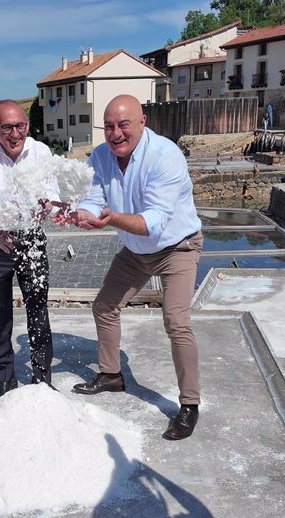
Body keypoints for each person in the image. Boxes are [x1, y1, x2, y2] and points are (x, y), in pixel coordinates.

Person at [53, 94, 203, 441]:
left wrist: (112, 219)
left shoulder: (165, 156)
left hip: (177, 246)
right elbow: (94, 198)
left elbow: (154, 221)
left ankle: (189, 405)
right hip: (136, 249)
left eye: (123, 125)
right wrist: (82, 215)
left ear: (142, 122)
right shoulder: (102, 156)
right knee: (105, 306)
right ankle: (111, 375)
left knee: (176, 321)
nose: (116, 133)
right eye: (109, 126)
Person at [0, 99, 59, 398]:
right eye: (6, 128)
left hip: (31, 237)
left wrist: (49, 205)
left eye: (20, 126)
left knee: (38, 307)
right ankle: (6, 378)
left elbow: (51, 192)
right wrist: (9, 213)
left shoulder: (41, 151)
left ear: (28, 126)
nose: (15, 134)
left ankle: (42, 377)